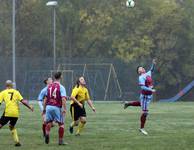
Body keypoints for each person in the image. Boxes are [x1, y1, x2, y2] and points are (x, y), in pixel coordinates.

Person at [123, 59, 156, 135]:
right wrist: (151, 90)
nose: (142, 68)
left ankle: (128, 103)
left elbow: (152, 69)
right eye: (140, 68)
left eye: (142, 67)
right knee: (145, 113)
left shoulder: (148, 74)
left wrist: (153, 64)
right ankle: (141, 128)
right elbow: (143, 87)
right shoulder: (141, 77)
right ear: (139, 72)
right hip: (145, 95)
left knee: (141, 104)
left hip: (148, 96)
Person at [0, 80, 34, 146]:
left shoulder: (3, 93)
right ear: (12, 85)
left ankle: (17, 142)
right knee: (11, 126)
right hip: (15, 113)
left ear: (5, 85)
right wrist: (30, 107)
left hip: (8, 112)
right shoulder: (16, 92)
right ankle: (17, 142)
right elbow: (23, 101)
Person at [43, 72, 67, 145]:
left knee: (49, 122)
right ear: (61, 77)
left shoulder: (49, 86)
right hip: (56, 107)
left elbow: (45, 99)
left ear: (54, 77)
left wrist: (44, 109)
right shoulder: (61, 87)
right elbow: (63, 99)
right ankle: (60, 141)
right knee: (61, 124)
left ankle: (47, 133)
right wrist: (64, 108)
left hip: (48, 107)